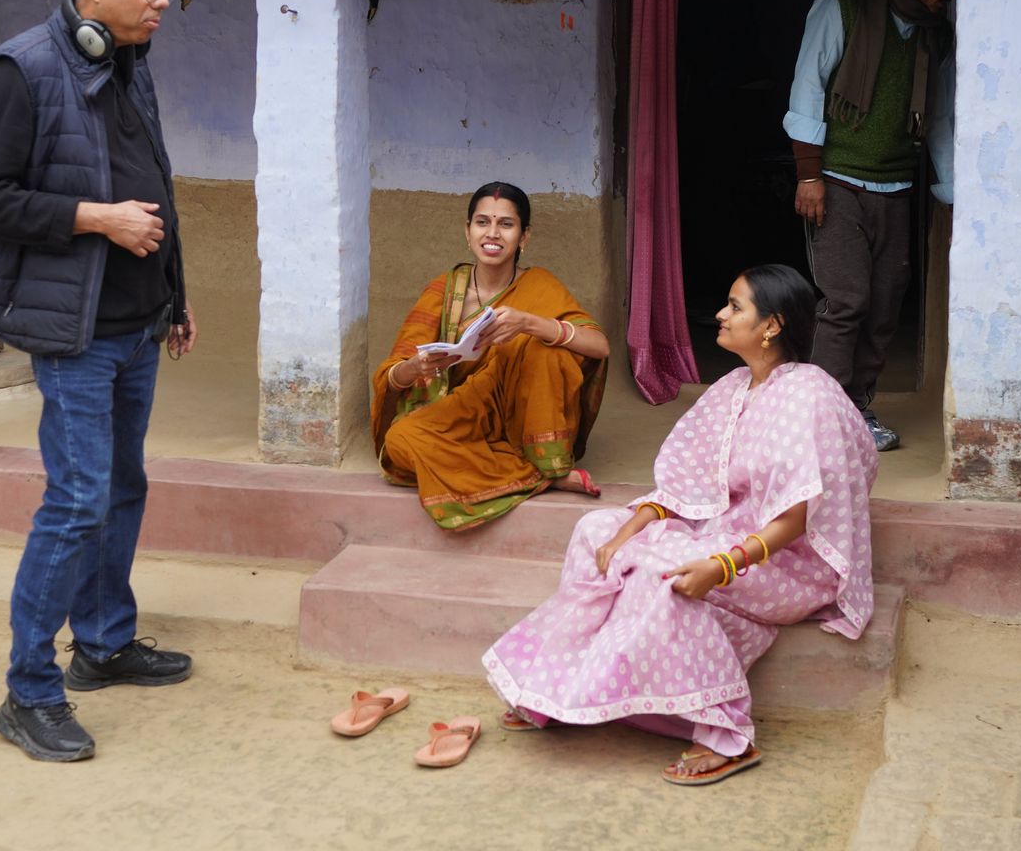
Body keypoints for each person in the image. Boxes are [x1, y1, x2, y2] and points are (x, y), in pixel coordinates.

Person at [484, 264, 877, 786]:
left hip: (790, 557)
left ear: (772, 326)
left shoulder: (808, 393)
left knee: (660, 571)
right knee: (597, 531)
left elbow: (796, 516)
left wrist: (721, 565)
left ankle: (724, 734)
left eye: (736, 307)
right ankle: (561, 687)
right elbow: (689, 485)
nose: (720, 313)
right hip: (726, 530)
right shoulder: (736, 386)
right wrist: (635, 523)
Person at [0, 0, 199, 762]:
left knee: (122, 486)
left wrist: (175, 294)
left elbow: (156, 185)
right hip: (76, 332)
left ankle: (102, 642)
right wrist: (95, 218)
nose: (161, 2)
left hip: (136, 322)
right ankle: (28, 693)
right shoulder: (20, 72)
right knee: (77, 500)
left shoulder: (130, 66)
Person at [784, 0, 958, 453]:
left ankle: (857, 407)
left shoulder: (933, 35)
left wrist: (948, 193)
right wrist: (808, 177)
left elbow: (940, 118)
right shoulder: (842, 7)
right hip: (835, 182)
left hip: (896, 189)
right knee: (847, 301)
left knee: (884, 304)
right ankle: (822, 417)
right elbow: (807, 91)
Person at [373, 182, 610, 530]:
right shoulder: (444, 289)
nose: (493, 234)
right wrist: (416, 366)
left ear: (524, 236)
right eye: (482, 222)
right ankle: (539, 478)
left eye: (506, 224)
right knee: (399, 443)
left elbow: (599, 347)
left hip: (523, 417)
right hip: (462, 414)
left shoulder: (540, 285)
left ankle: (546, 463)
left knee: (549, 350)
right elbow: (391, 375)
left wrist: (531, 323)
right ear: (467, 232)